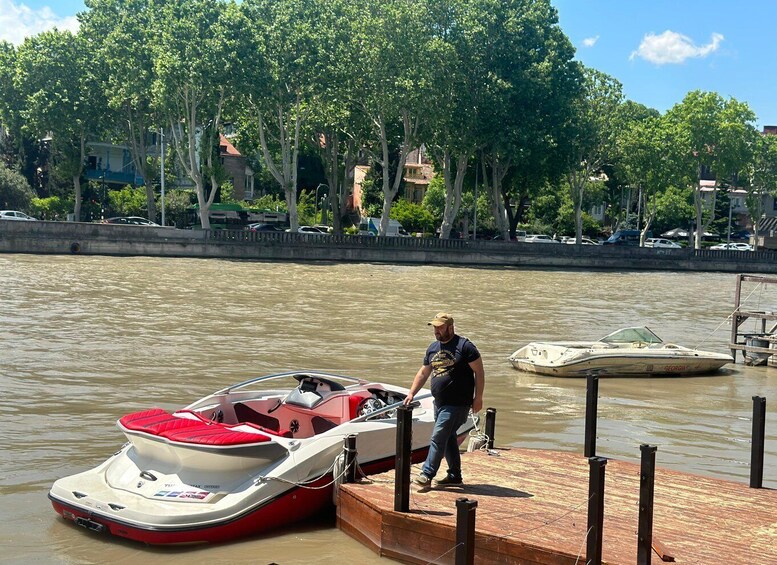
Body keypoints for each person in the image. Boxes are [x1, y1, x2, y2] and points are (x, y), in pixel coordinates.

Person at [404, 312, 484, 487]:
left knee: (438, 436)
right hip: (439, 403)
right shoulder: (433, 348)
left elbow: (479, 371)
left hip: (458, 404)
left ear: (450, 327)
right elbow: (424, 372)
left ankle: (427, 473)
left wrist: (478, 397)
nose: (436, 331)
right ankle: (455, 475)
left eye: (440, 327)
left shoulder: (464, 346)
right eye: (435, 327)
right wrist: (411, 393)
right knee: (448, 438)